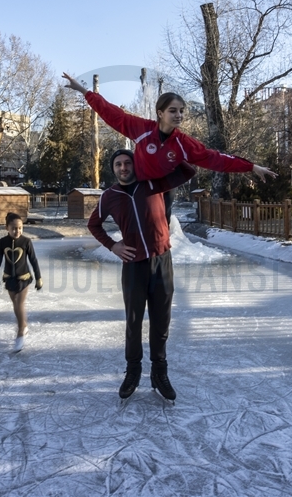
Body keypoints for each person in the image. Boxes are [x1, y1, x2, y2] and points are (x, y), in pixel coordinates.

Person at [63, 73, 276, 221]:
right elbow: (110, 112)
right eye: (173, 111)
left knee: (159, 234)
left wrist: (251, 166)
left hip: (163, 192)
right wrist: (83, 90)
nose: (179, 115)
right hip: (139, 188)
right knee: (136, 227)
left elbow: (216, 159)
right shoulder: (142, 129)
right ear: (160, 113)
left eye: (181, 111)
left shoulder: (183, 143)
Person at [87, 149, 195, 402]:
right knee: (134, 322)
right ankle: (133, 371)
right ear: (112, 169)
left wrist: (168, 149)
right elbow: (94, 224)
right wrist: (113, 245)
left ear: (135, 165)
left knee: (161, 322)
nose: (123, 168)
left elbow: (188, 171)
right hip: (133, 265)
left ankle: (159, 372)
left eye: (127, 163)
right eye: (118, 164)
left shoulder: (154, 183)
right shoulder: (109, 196)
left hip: (161, 262)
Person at [0, 212, 43, 352]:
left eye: (20, 228)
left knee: (19, 302)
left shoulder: (26, 242)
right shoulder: (2, 242)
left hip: (24, 278)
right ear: (6, 228)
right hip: (9, 278)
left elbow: (33, 260)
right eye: (14, 228)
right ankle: (24, 325)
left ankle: (20, 332)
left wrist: (38, 277)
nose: (17, 231)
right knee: (15, 303)